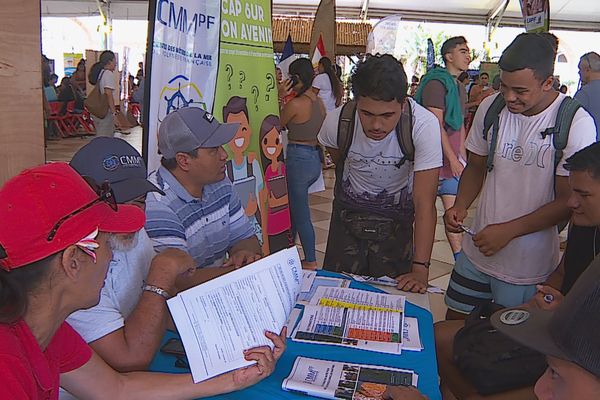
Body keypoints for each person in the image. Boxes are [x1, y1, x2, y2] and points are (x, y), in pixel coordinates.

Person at [0, 162, 286, 399]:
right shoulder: (7, 368)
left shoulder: (46, 330)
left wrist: (234, 379)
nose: (112, 257)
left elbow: (116, 389)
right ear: (73, 261)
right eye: (106, 244)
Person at [443, 32, 597, 318]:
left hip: (528, 267)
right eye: (504, 87)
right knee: (455, 322)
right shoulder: (491, 108)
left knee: (503, 343)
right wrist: (461, 206)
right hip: (476, 253)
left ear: (548, 82)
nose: (510, 97)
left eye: (521, 91)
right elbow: (476, 166)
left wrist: (508, 231)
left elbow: (569, 201)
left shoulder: (575, 123)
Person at [436, 142, 600, 400]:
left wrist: (564, 310)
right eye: (572, 192)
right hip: (551, 331)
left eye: (583, 195)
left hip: (575, 358)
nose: (571, 202)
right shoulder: (584, 223)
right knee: (439, 336)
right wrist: (543, 299)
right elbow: (561, 274)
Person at [62, 137, 198, 377]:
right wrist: (163, 272)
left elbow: (158, 301)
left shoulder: (130, 229)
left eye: (140, 201)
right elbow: (130, 360)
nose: (134, 215)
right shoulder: (76, 264)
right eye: (117, 203)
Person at [318, 54, 442, 292]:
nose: (376, 125)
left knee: (391, 300)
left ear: (403, 104)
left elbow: (424, 203)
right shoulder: (338, 122)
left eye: (387, 115)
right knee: (336, 295)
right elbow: (341, 160)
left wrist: (420, 269)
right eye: (367, 114)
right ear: (354, 102)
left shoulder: (423, 126)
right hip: (345, 222)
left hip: (397, 227)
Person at [145, 107, 262, 275]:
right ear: (184, 161)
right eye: (214, 150)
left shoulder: (220, 182)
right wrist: (237, 273)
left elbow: (246, 238)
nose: (224, 155)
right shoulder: (157, 204)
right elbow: (177, 281)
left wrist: (244, 254)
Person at [415, 36, 470, 259]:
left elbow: (461, 127)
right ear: (449, 56)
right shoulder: (436, 83)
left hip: (452, 165)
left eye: (468, 51)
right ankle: (417, 264)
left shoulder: (459, 86)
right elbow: (434, 124)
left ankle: (461, 264)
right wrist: (453, 159)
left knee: (454, 217)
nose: (468, 56)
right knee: (421, 215)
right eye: (462, 51)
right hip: (431, 162)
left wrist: (462, 158)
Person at [280, 58, 326, 270]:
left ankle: (310, 258)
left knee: (301, 213)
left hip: (298, 158)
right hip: (314, 157)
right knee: (296, 211)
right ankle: (289, 250)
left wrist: (281, 96)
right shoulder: (320, 103)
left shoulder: (296, 104)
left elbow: (276, 123)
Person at [222, 96, 267, 252]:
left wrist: (266, 242)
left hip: (256, 230)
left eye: (243, 129)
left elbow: (262, 199)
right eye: (232, 131)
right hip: (234, 236)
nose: (238, 136)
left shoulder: (253, 164)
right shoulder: (225, 169)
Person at [88, 50, 118, 137]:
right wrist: (114, 113)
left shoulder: (101, 73)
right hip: (105, 112)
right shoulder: (108, 74)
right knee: (104, 139)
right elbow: (108, 94)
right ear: (109, 61)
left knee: (101, 137)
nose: (115, 63)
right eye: (114, 60)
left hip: (97, 112)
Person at [574, 52, 600, 140]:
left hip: (591, 148)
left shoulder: (583, 94)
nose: (578, 72)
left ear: (587, 70)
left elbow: (569, 120)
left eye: (580, 69)